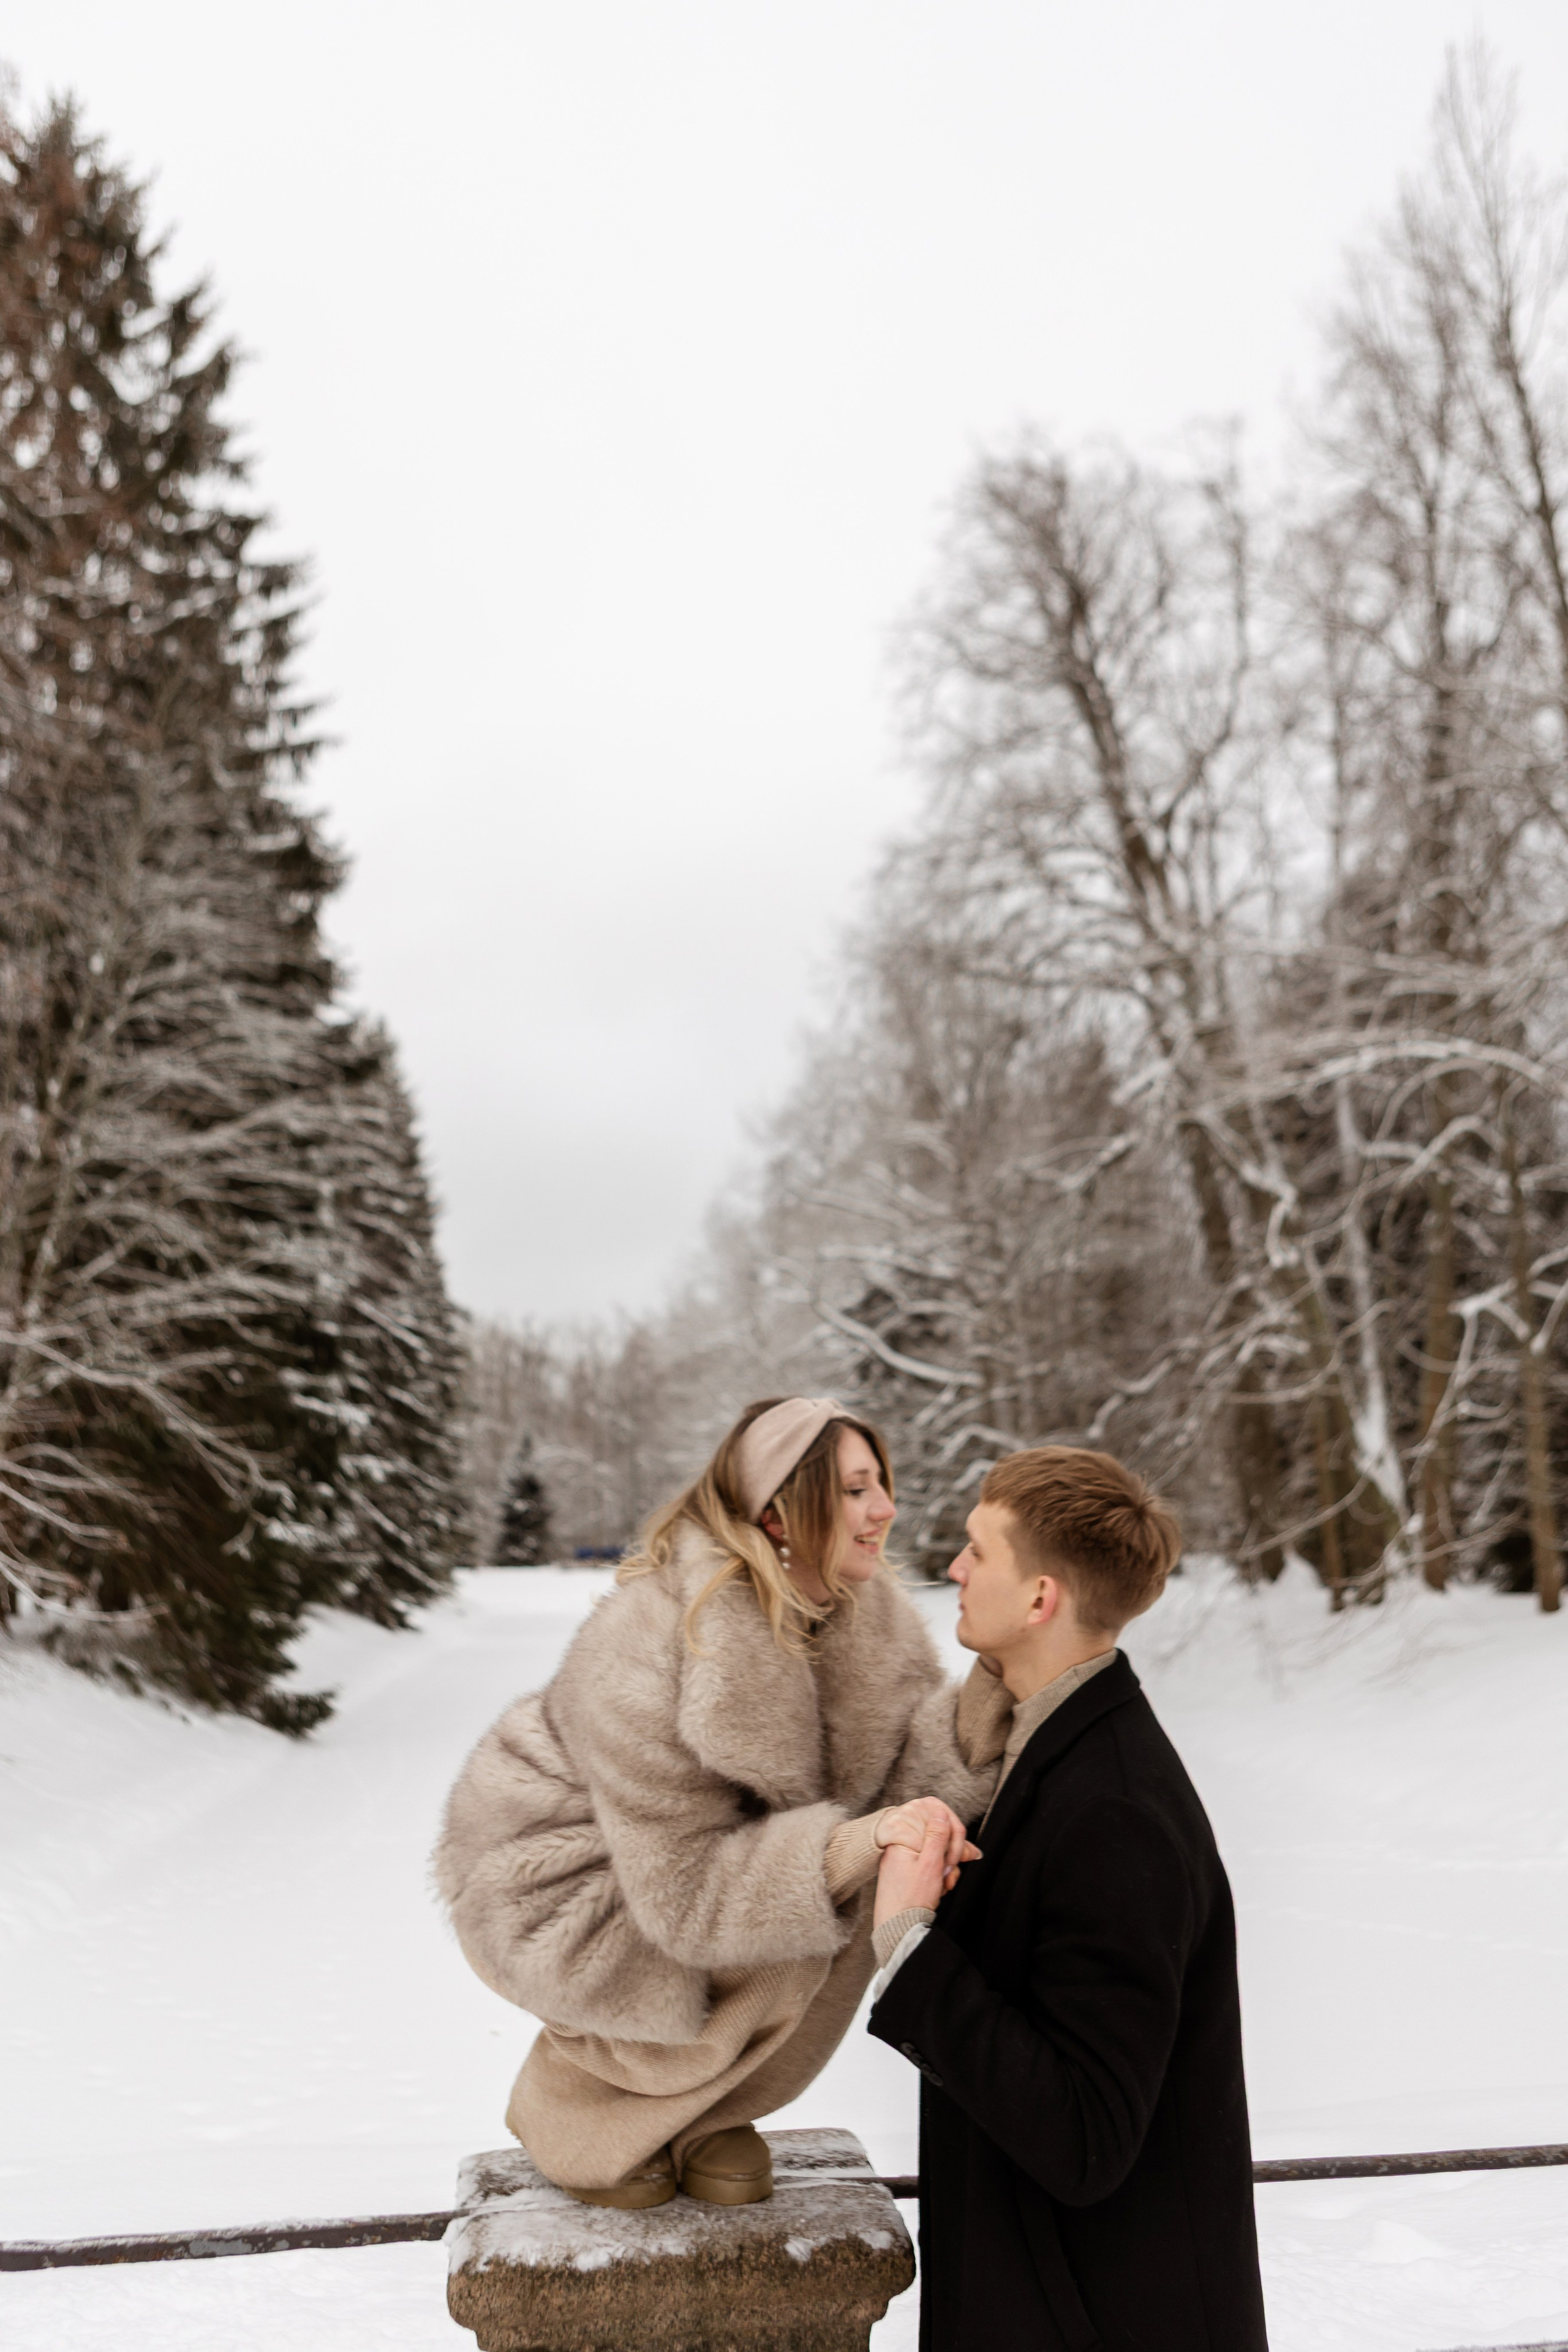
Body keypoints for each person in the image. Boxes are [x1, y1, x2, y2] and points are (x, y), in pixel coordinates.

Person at [435, 1396, 1009, 2212]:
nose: (885, 1508)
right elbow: (685, 1891)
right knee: (815, 1906)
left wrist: (998, 1691)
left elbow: (902, 1771)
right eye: (854, 1489)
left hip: (700, 1867)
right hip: (566, 1882)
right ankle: (578, 2107)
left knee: (842, 1893)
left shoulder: (864, 1612)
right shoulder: (654, 1636)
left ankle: (705, 2114)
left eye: (882, 1484)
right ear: (779, 1508)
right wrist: (864, 1842)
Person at [867, 1446, 1268, 2352]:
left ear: (1041, 1598)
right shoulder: (1052, 1750)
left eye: (978, 1551)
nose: (954, 1570)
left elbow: (1086, 2135)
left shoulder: (1115, 1807)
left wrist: (909, 1945)